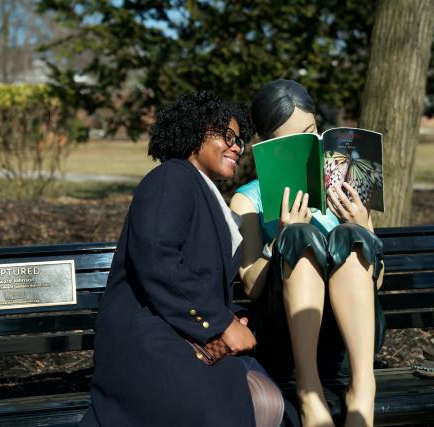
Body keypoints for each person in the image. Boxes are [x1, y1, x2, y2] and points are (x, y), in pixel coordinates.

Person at [80, 90, 287, 427]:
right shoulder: (171, 178)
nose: (238, 146)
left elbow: (196, 275)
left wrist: (234, 317)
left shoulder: (201, 189)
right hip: (150, 344)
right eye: (228, 136)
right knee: (247, 405)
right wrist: (221, 323)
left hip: (182, 335)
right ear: (194, 133)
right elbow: (157, 261)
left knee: (268, 400)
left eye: (241, 140)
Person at [230, 80, 385, 427]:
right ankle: (309, 391)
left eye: (312, 132)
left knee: (349, 236)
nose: (310, 144)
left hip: (350, 340)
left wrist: (363, 225)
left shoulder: (346, 184)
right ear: (268, 145)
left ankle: (363, 387)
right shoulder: (248, 200)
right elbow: (253, 286)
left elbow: (376, 282)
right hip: (287, 339)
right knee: (300, 236)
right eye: (292, 141)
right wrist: (280, 238)